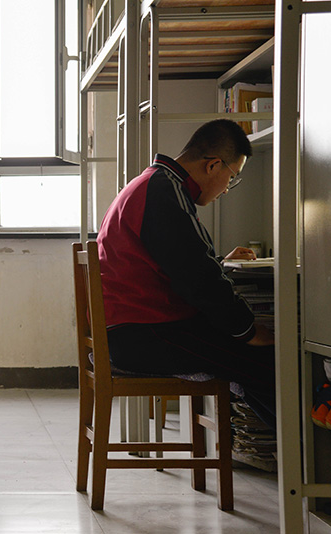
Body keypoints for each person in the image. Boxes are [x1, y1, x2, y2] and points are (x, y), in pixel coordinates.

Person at [96, 119, 276, 429]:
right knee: (269, 362)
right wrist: (248, 330)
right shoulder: (164, 193)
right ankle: (301, 464)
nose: (227, 189)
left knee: (254, 359)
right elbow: (200, 284)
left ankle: (286, 454)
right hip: (144, 335)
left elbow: (178, 265)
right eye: (232, 177)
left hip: (131, 329)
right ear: (213, 166)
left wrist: (215, 263)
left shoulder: (155, 183)